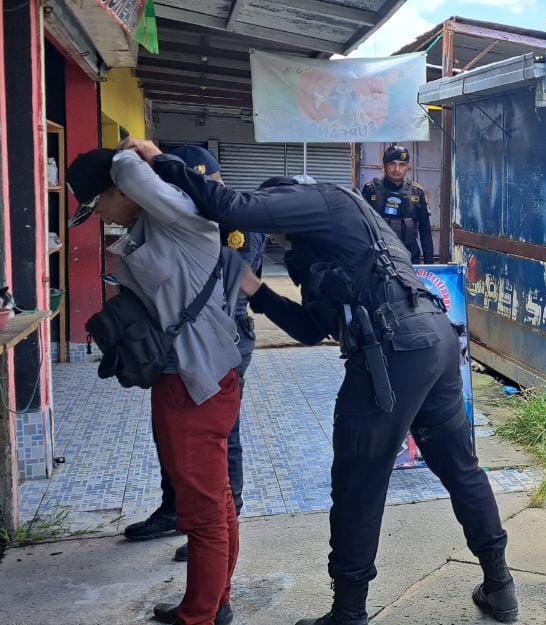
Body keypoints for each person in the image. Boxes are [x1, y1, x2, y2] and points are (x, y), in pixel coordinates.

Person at [118, 138, 517, 625]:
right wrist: (258, 291)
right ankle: (499, 586)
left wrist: (157, 159)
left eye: (277, 225)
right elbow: (311, 329)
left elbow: (228, 203)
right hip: (431, 341)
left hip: (392, 348)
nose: (277, 237)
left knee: (358, 482)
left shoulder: (321, 198)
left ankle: (349, 612)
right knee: (460, 468)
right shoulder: (327, 245)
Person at [67, 147, 242, 625]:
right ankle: (212, 602)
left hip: (197, 383)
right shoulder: (151, 225)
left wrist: (136, 150)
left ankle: (200, 617)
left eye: (98, 203)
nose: (99, 215)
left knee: (203, 511)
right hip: (185, 377)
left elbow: (126, 168)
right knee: (215, 496)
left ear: (122, 190)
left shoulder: (180, 218)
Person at [122, 145, 266, 566]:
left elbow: (235, 279)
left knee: (221, 434)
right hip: (181, 337)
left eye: (207, 182)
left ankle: (222, 518)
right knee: (172, 430)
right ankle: (176, 509)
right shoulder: (176, 214)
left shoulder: (231, 217)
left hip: (224, 337)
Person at [361, 145, 433, 263]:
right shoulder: (371, 190)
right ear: (384, 165)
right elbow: (363, 229)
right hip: (380, 260)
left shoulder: (416, 192)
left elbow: (425, 231)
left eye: (402, 164)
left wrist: (429, 264)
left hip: (410, 259)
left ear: (407, 167)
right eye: (392, 164)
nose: (396, 169)